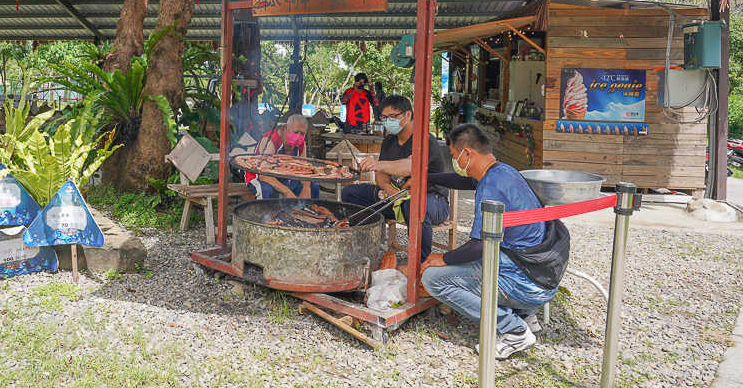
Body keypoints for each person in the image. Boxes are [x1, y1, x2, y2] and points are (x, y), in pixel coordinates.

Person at [420, 123, 569, 360]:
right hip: (541, 272)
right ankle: (525, 314)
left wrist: (443, 258)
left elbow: (479, 246)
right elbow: (465, 182)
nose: (456, 162)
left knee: (433, 279)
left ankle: (513, 329)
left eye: (455, 156)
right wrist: (425, 178)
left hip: (527, 283)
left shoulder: (491, 187)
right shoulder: (504, 171)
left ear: (468, 153)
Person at [341, 95, 447, 261]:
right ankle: (363, 249)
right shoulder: (389, 140)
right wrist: (391, 191)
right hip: (397, 198)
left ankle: (422, 263)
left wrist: (379, 164)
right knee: (350, 192)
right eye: (384, 117)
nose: (387, 121)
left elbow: (409, 166)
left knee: (413, 205)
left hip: (432, 201)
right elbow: (381, 176)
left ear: (408, 115)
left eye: (392, 117)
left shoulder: (425, 140)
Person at [244, 114, 320, 200]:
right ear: (286, 128)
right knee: (265, 189)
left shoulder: (301, 144)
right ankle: (265, 213)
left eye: (302, 133)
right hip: (259, 176)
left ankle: (310, 211)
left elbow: (304, 169)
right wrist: (287, 192)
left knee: (314, 186)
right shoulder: (271, 140)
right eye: (295, 132)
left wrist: (306, 187)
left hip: (286, 177)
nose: (299, 136)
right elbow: (263, 175)